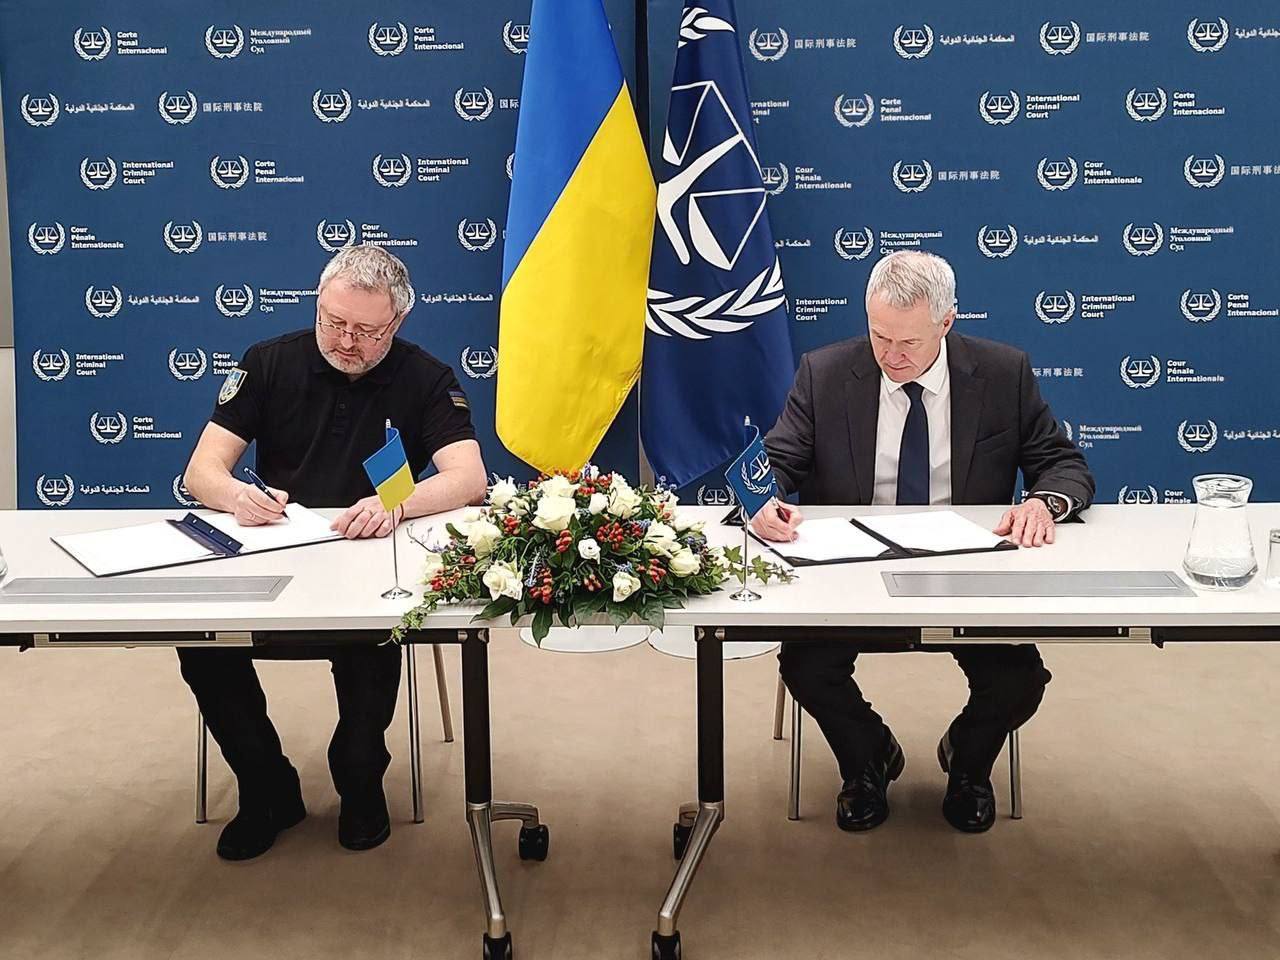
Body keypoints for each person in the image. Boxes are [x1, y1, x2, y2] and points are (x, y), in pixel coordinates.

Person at [753, 250, 1094, 834]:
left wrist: (1044, 501)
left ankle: (968, 761)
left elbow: (1063, 464)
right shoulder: (824, 373)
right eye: (879, 336)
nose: (891, 355)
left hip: (968, 570)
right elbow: (776, 462)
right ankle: (868, 759)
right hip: (850, 570)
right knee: (805, 665)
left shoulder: (1002, 373)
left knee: (1018, 681)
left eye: (908, 342)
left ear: (947, 322)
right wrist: (764, 501)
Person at [179, 244, 487, 860]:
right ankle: (266, 785)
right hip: (278, 552)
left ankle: (359, 780)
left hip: (371, 559)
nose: (346, 341)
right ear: (318, 304)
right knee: (201, 644)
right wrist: (238, 496)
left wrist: (398, 504)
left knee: (374, 643)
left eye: (367, 331)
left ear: (397, 321)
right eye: (333, 321)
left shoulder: (426, 377)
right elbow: (201, 471)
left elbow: (469, 478)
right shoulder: (269, 361)